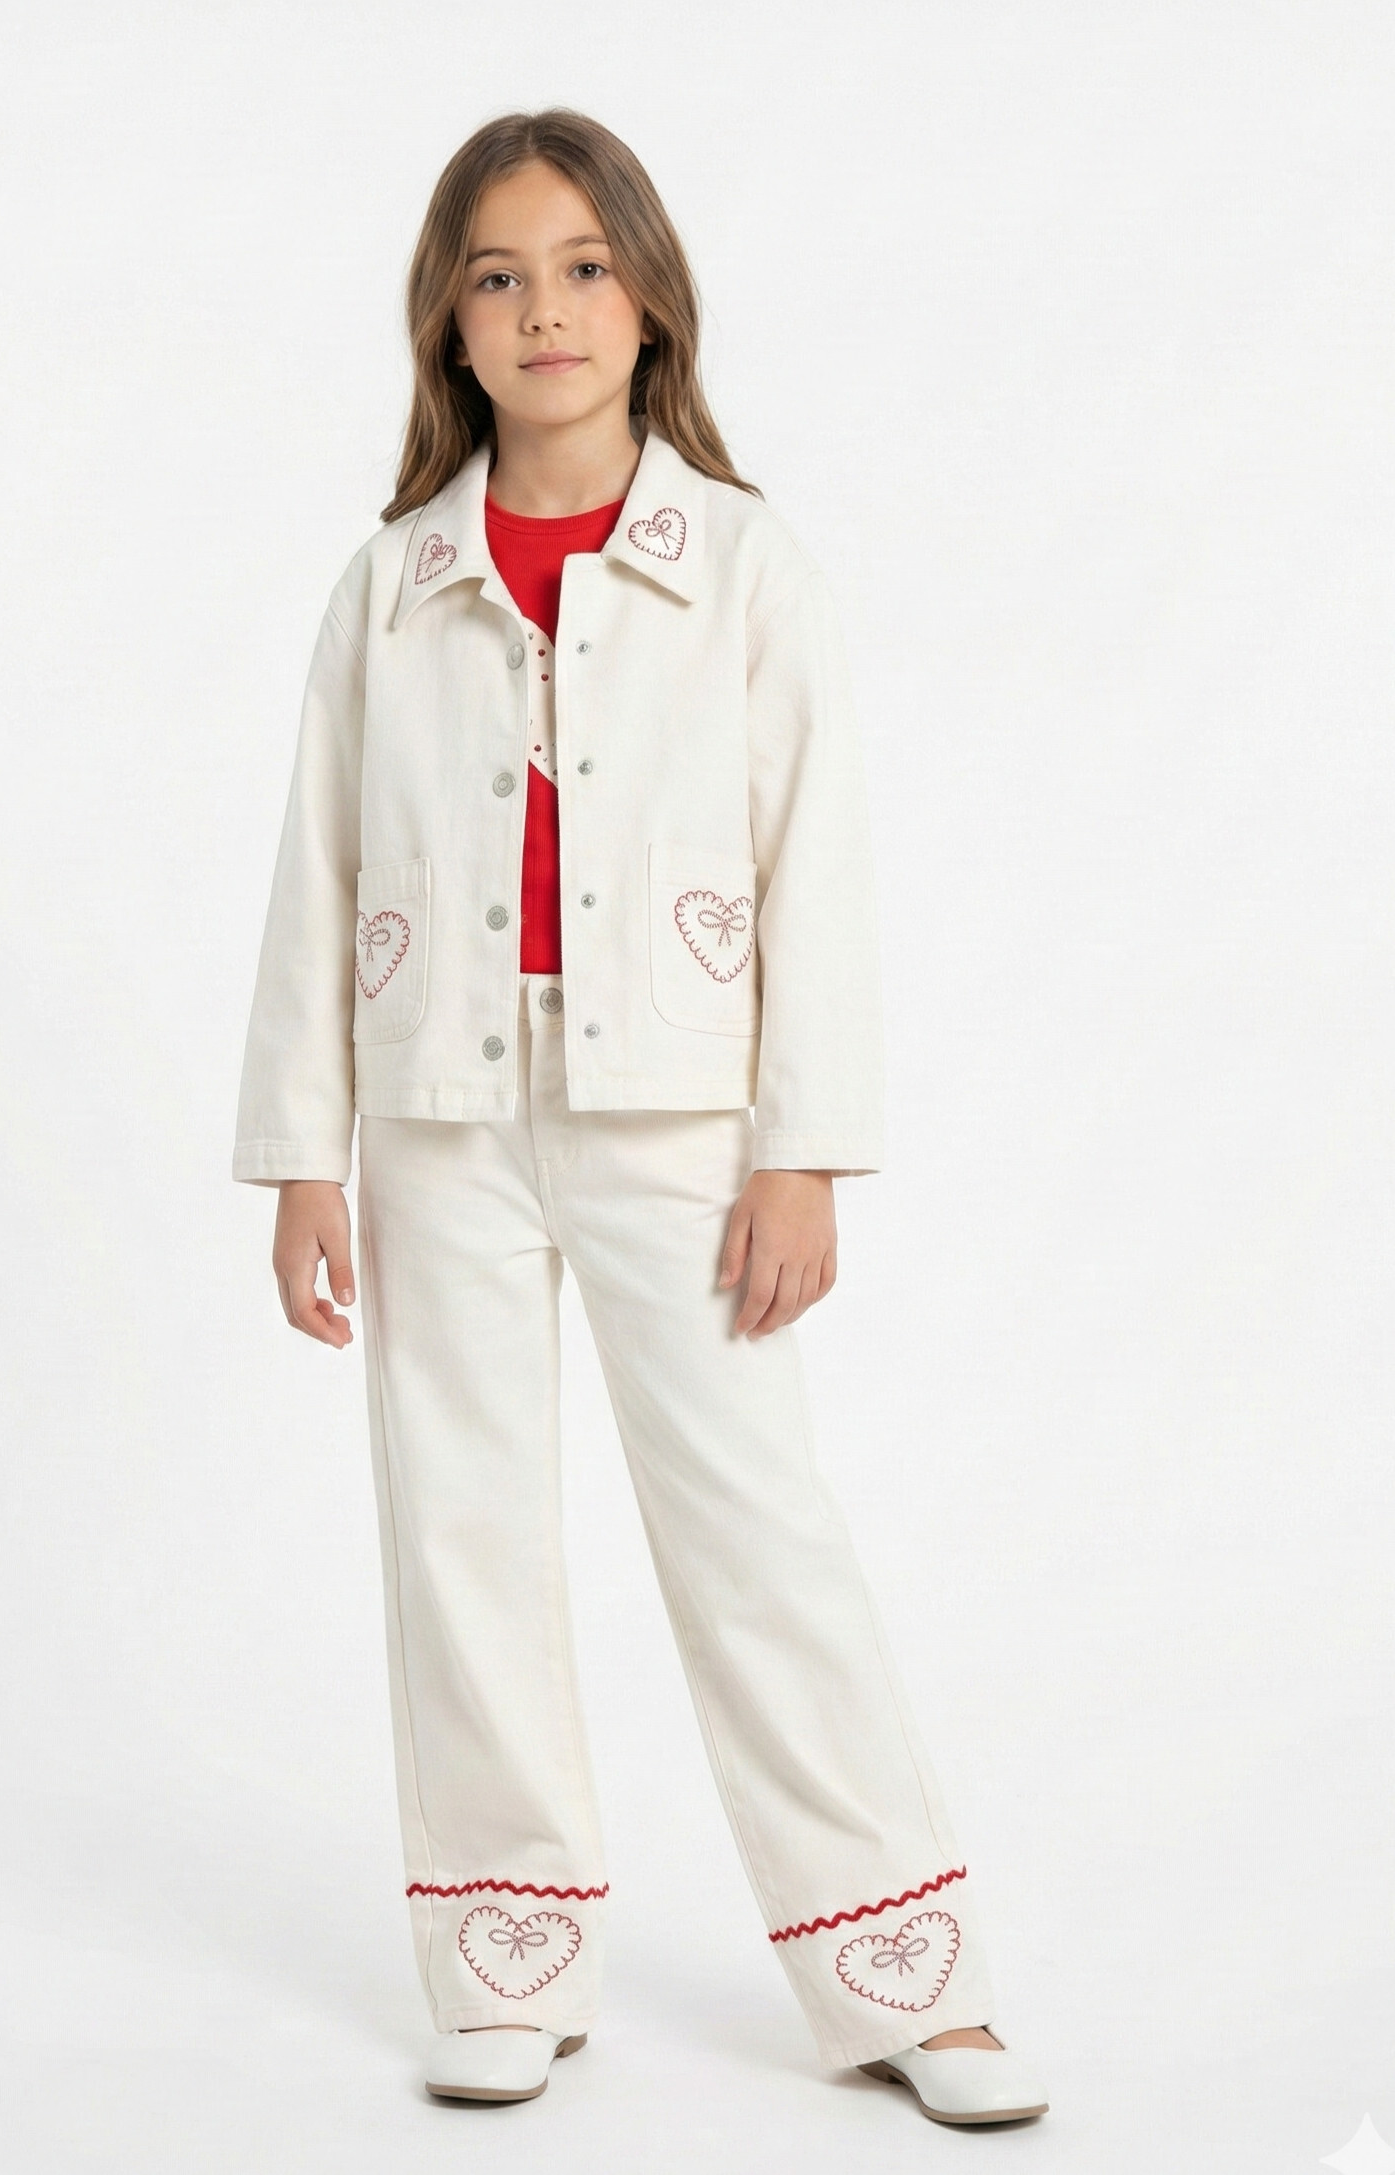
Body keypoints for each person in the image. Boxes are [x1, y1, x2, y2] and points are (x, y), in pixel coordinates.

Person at [233, 107, 1049, 2127]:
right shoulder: (390, 587)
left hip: (676, 1116)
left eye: (584, 267)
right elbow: (316, 871)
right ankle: (508, 1957)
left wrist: (803, 1147)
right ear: (448, 323)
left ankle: (904, 1974)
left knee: (756, 1529)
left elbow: (816, 870)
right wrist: (302, 1156)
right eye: (498, 276)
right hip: (437, 1107)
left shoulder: (745, 568)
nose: (546, 309)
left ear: (652, 298)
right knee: (462, 1529)